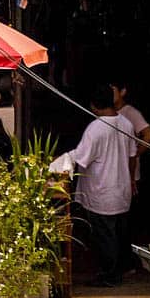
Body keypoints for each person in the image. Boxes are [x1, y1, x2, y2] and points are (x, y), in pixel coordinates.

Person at [58, 86, 139, 287]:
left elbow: (81, 157)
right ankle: (119, 270)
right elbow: (132, 155)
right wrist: (130, 179)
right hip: (121, 189)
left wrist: (57, 162)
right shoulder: (126, 124)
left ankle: (110, 276)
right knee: (117, 233)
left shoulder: (96, 128)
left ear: (94, 106)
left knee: (105, 236)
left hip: (102, 190)